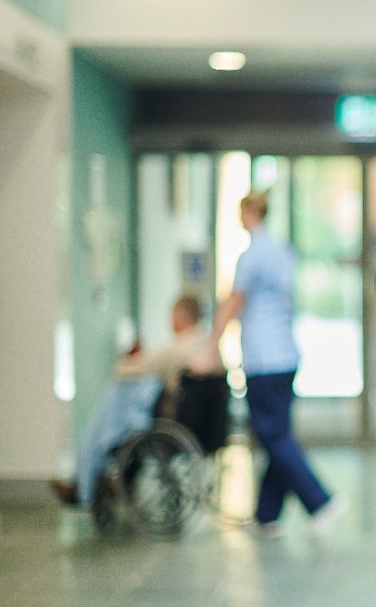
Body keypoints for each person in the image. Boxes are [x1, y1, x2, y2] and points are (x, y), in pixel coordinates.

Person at [211, 192, 347, 537]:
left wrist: (210, 345)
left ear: (251, 212)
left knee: (273, 435)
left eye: (240, 212)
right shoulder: (282, 252)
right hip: (285, 357)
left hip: (263, 360)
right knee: (276, 435)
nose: (239, 219)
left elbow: (233, 303)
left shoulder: (252, 255)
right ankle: (266, 516)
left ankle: (320, 500)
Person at [52, 295, 223, 508]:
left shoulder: (179, 347)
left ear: (181, 316)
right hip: (200, 427)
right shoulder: (207, 345)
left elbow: (126, 369)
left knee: (114, 398)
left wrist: (128, 359)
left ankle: (85, 481)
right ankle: (92, 478)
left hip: (173, 420)